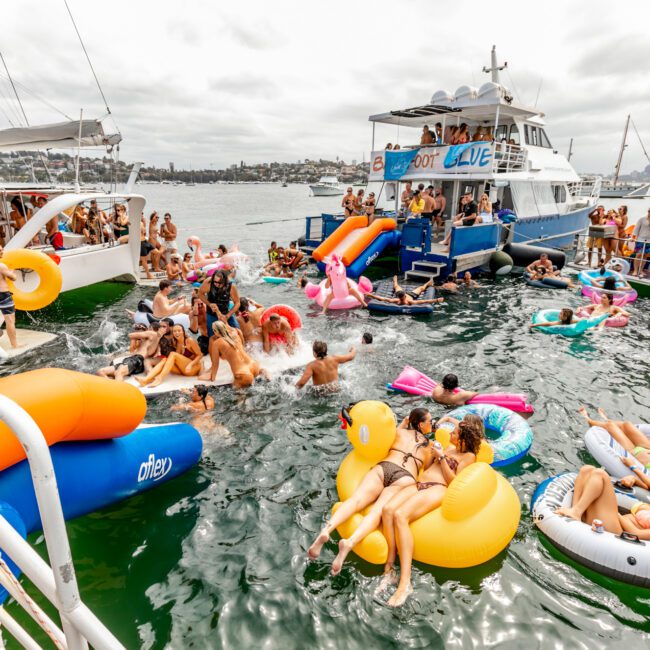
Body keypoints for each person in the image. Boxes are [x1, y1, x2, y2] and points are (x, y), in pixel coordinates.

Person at [307, 408, 434, 569]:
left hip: (385, 466)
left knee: (356, 500)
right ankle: (349, 543)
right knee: (376, 512)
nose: (432, 424)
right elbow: (427, 470)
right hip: (404, 477)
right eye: (430, 421)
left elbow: (389, 435)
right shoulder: (429, 446)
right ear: (421, 425)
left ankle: (326, 530)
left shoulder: (398, 433)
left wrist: (405, 422)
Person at [379, 413, 483, 606]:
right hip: (420, 483)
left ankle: (405, 583)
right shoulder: (450, 447)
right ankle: (389, 569)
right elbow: (426, 467)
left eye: (455, 432)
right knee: (388, 510)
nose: (451, 433)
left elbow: (454, 481)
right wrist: (433, 455)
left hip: (438, 488)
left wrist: (443, 458)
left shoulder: (469, 456)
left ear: (462, 438)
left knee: (401, 516)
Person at [554, 465, 650, 541]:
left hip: (615, 533)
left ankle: (576, 512)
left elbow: (636, 533)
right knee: (587, 469)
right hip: (610, 521)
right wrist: (633, 478)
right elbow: (647, 486)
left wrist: (618, 516)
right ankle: (575, 510)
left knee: (600, 474)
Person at [578, 407, 650, 482]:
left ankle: (589, 420)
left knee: (610, 426)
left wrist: (633, 467)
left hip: (635, 453)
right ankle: (606, 420)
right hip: (646, 448)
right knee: (627, 424)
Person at [200, 320, 266, 387]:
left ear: (215, 331)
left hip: (243, 374)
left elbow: (215, 365)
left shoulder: (217, 343)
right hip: (254, 366)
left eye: (213, 331)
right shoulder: (236, 333)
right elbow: (243, 348)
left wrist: (212, 378)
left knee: (239, 396)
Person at [137, 324, 203, 388]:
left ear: (183, 331)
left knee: (172, 354)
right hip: (183, 370)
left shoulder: (189, 341)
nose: (177, 333)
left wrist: (190, 364)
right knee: (164, 360)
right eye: (174, 331)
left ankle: (160, 378)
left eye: (179, 330)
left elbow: (200, 355)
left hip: (193, 368)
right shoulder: (175, 342)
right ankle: (146, 380)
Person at [365, 276, 444, 307]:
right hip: (408, 295)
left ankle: (428, 283)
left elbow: (424, 300)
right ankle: (395, 280)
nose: (402, 299)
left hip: (412, 295)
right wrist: (371, 295)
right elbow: (383, 299)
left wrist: (371, 295)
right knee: (396, 286)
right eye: (402, 298)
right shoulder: (400, 300)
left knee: (421, 288)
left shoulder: (407, 301)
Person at [0, 245, 20, 349]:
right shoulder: (1, 266)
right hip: (3, 295)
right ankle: (15, 345)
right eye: (0, 250)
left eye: (2, 248)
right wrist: (12, 273)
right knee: (10, 320)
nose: (2, 251)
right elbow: (13, 278)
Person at [632, 208, 650, 277]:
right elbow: (636, 229)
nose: (649, 212)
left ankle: (641, 270)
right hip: (640, 239)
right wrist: (633, 237)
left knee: (645, 255)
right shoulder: (642, 219)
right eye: (649, 211)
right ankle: (635, 270)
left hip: (649, 240)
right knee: (638, 255)